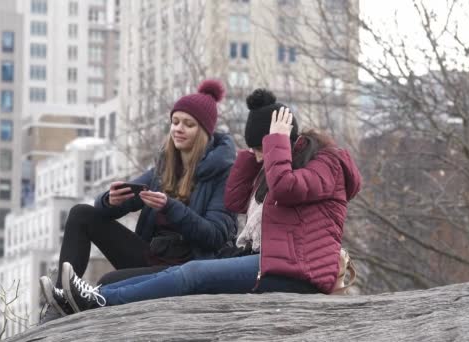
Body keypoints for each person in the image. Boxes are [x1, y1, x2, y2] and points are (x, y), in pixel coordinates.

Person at [43, 88, 362, 312]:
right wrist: (108, 202)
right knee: (179, 274)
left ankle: (98, 299)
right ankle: (87, 296)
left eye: (259, 149)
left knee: (191, 274)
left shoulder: (327, 162)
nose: (258, 157)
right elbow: (237, 199)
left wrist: (275, 141)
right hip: (274, 265)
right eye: (175, 122)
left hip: (298, 271)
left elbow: (286, 188)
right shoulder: (270, 163)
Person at [39, 80, 238, 321]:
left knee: (106, 282)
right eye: (175, 122)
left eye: (188, 124)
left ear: (205, 132)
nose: (178, 129)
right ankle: (59, 300)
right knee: (82, 214)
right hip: (151, 255)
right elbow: (122, 200)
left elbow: (215, 235)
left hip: (186, 268)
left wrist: (170, 207)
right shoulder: (164, 167)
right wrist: (109, 201)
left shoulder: (224, 173)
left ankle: (77, 308)